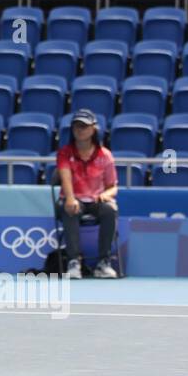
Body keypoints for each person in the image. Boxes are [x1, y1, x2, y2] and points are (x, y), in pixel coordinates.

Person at [55, 109, 119, 279]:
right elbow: (65, 177)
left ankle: (104, 262)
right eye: (76, 126)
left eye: (84, 126)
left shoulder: (105, 155)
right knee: (70, 209)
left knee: (110, 210)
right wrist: (70, 198)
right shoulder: (65, 153)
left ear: (93, 129)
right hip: (72, 199)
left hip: (96, 200)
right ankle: (74, 262)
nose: (79, 130)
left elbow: (113, 187)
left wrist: (106, 195)